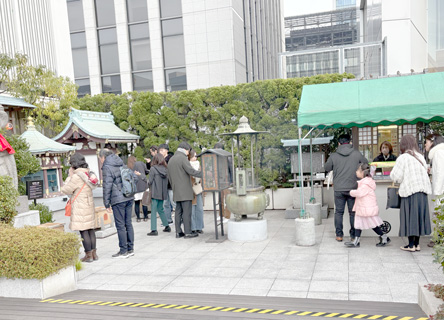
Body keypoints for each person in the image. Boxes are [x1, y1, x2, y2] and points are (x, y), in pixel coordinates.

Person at [390, 135, 432, 252]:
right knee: (418, 217)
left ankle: (410, 245)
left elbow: (396, 177)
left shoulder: (403, 158)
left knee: (409, 217)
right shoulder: (420, 156)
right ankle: (417, 244)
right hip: (422, 192)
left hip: (410, 191)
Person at [325, 134, 368, 242]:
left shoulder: (333, 155)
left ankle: (339, 235)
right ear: (350, 142)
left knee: (339, 212)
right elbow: (366, 164)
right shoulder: (356, 154)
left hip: (339, 188)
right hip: (353, 188)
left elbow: (326, 167)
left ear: (338, 143)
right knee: (352, 213)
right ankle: (353, 236)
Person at [61, 153, 99, 262]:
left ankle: (88, 256)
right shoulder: (88, 173)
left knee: (83, 230)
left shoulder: (76, 176)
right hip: (88, 204)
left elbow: (65, 189)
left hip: (80, 205)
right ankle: (94, 254)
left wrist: (69, 176)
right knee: (90, 229)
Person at [99, 149, 136, 259]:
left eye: (100, 158)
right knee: (128, 223)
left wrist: (106, 203)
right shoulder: (121, 162)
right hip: (128, 196)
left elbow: (107, 185)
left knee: (120, 225)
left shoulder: (107, 166)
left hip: (118, 199)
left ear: (103, 157)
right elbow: (134, 177)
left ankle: (123, 250)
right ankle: (130, 249)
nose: (100, 161)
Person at [344, 163, 390, 248]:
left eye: (358, 170)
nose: (356, 172)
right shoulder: (367, 181)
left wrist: (350, 192)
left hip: (366, 208)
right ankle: (356, 241)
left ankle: (384, 237)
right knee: (358, 223)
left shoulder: (365, 184)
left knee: (373, 224)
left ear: (363, 172)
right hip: (363, 207)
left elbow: (359, 193)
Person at [168, 141, 202, 238]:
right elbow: (191, 171)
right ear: (185, 149)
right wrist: (203, 174)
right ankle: (188, 232)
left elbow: (169, 176)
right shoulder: (182, 158)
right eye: (188, 151)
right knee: (187, 212)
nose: (188, 153)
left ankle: (178, 232)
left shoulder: (172, 159)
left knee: (178, 211)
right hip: (185, 190)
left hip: (176, 189)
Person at [425, 133, 444, 247]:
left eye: (426, 142)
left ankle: (438, 239)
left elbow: (441, 174)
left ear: (432, 142)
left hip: (440, 191)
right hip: (440, 190)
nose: (425, 145)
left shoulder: (438, 153)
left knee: (438, 214)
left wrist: (436, 194)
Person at [147, 154, 171, 235]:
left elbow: (149, 181)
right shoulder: (166, 169)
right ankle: (167, 226)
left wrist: (142, 177)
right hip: (163, 192)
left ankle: (154, 230)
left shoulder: (153, 169)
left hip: (155, 193)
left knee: (153, 211)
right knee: (160, 209)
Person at [127, 155, 149, 222]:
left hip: (135, 187)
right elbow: (147, 171)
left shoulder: (129, 167)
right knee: (144, 202)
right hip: (143, 185)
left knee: (136, 203)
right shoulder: (141, 163)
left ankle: (138, 218)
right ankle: (145, 217)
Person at [159, 143, 175, 225]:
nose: (160, 152)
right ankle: (168, 220)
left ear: (167, 151)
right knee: (165, 204)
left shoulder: (171, 159)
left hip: (171, 184)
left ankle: (181, 219)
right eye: (160, 150)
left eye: (162, 150)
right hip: (164, 184)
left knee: (174, 202)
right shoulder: (160, 159)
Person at [189, 149, 204, 234]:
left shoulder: (199, 165)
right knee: (192, 209)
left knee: (199, 209)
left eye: (196, 156)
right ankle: (193, 227)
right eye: (194, 156)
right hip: (191, 189)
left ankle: (199, 227)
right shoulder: (188, 165)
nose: (196, 158)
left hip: (198, 187)